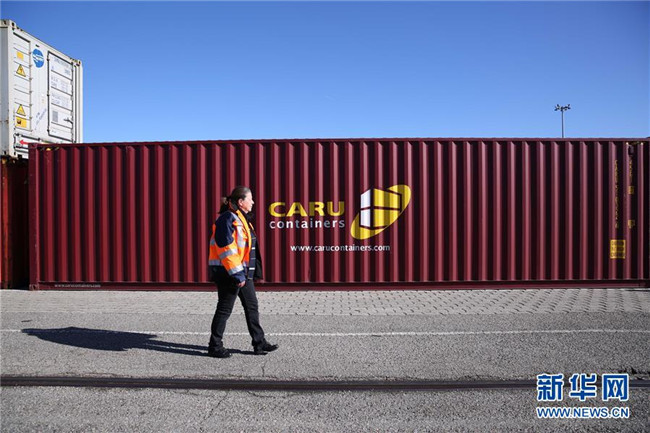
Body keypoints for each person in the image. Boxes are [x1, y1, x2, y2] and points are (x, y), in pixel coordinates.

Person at [207, 186, 278, 358]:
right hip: (229, 273)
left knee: (252, 307)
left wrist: (245, 273)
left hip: (243, 273)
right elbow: (226, 249)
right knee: (224, 309)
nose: (253, 202)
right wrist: (237, 274)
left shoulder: (242, 219)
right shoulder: (227, 219)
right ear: (240, 202)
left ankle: (259, 343)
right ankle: (215, 346)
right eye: (250, 199)